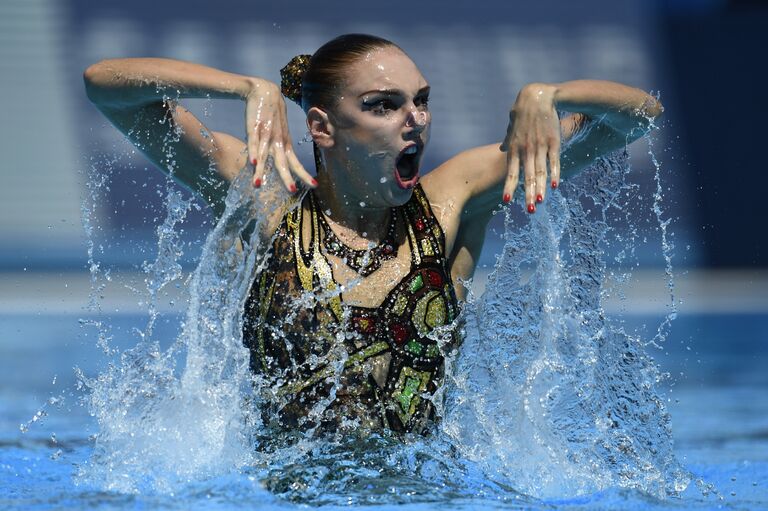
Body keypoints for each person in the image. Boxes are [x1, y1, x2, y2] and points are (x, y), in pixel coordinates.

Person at [83, 33, 662, 436]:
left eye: (421, 101)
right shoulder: (267, 200)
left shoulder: (452, 200)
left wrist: (550, 96)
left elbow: (639, 114)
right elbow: (106, 86)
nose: (416, 119)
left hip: (424, 492)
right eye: (383, 105)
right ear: (321, 127)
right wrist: (244, 88)